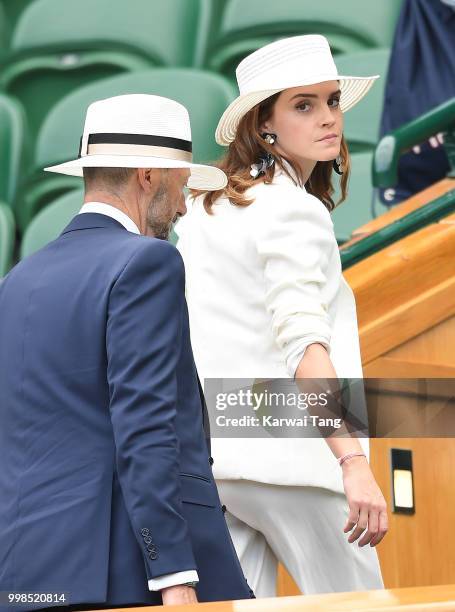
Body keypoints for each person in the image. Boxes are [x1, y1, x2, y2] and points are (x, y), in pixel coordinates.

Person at [0, 94, 255, 611]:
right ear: (148, 177)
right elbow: (145, 425)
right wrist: (174, 573)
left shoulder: (16, 280)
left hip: (24, 572)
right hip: (127, 572)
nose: (184, 206)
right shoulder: (148, 262)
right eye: (181, 185)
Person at [176, 35, 388, 597]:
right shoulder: (296, 210)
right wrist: (351, 461)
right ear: (263, 125)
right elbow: (305, 345)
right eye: (304, 104)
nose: (328, 119)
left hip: (223, 461)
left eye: (332, 101)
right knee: (361, 610)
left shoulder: (202, 209)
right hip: (301, 460)